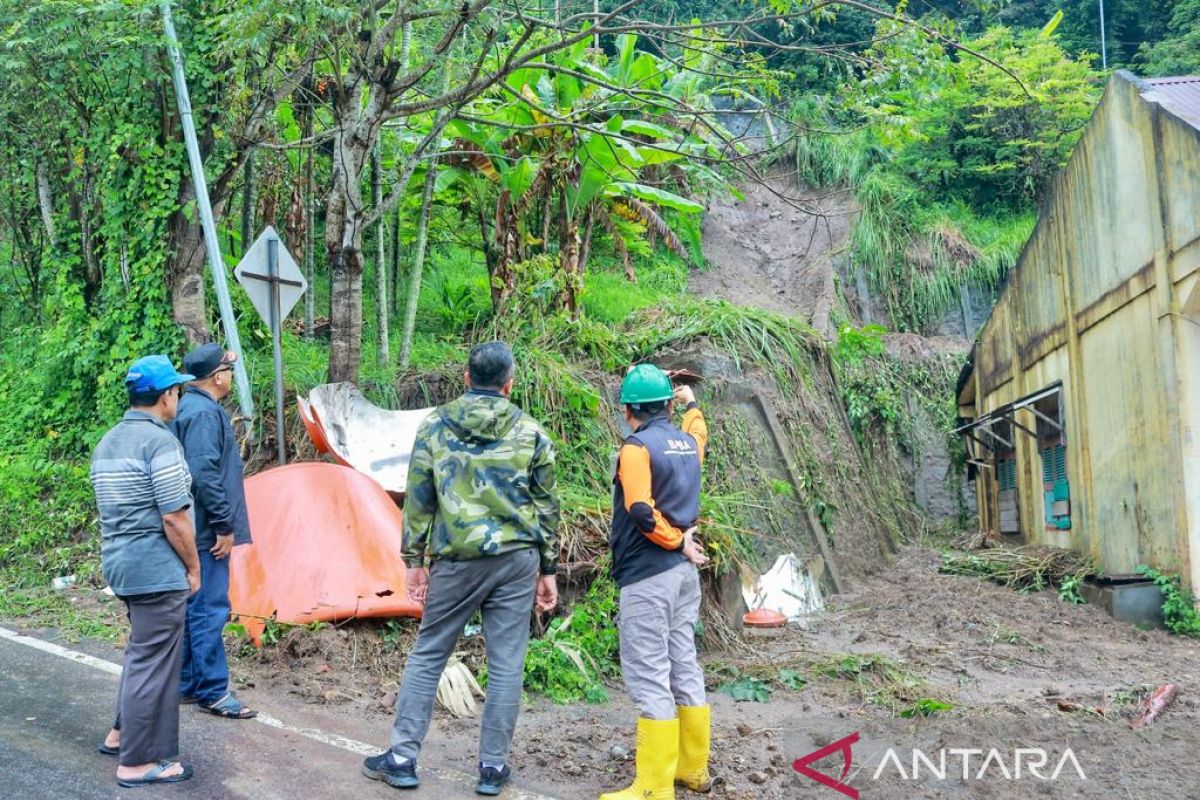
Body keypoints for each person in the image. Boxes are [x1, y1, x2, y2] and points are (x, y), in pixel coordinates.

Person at [362, 341, 560, 796]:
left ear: (467, 379)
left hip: (456, 558)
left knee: (430, 651)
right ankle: (492, 768)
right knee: (508, 662)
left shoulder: (435, 425)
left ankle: (401, 758)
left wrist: (413, 561)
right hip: (516, 561)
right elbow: (547, 506)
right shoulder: (532, 432)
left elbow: (419, 498)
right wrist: (547, 569)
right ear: (509, 385)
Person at [600, 364, 711, 800]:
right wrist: (693, 405)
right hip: (684, 580)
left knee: (649, 672)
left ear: (628, 409)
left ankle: (653, 787)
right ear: (667, 404)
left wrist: (675, 542)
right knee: (684, 662)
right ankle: (693, 770)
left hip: (650, 575)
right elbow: (700, 434)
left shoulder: (636, 448)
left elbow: (642, 512)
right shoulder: (687, 443)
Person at [91, 355, 200, 787]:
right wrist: (193, 568)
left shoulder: (109, 441)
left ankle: (121, 734)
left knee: (142, 653)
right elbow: (174, 516)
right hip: (155, 569)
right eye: (177, 389)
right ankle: (139, 762)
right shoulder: (160, 443)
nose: (179, 396)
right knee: (154, 662)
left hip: (121, 565)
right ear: (166, 396)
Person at [169, 342, 256, 719]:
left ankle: (189, 683)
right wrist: (224, 524)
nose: (231, 377)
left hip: (195, 527)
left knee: (195, 606)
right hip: (206, 531)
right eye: (228, 371)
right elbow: (204, 474)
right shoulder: (203, 415)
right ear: (217, 376)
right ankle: (213, 691)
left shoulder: (191, 408)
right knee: (209, 609)